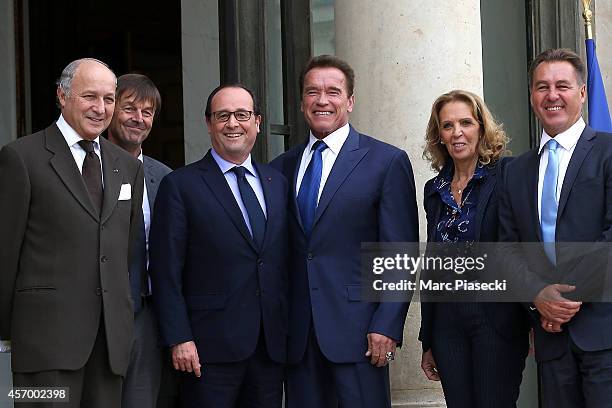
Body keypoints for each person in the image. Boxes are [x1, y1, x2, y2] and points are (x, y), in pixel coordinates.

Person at [271, 55, 419, 408]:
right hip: (298, 337)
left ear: (350, 101)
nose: (323, 100)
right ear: (302, 101)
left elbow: (400, 253)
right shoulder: (280, 168)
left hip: (360, 333)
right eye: (313, 92)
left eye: (333, 92)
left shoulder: (385, 161)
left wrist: (387, 322)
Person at [0, 58, 144, 407]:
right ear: (62, 97)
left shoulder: (126, 166)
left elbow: (126, 252)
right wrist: (6, 333)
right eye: (89, 97)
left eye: (109, 99)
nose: (101, 108)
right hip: (44, 346)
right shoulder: (21, 158)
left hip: (109, 347)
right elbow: (5, 253)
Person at [149, 83, 289, 408]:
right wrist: (179, 338)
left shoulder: (277, 184)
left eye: (242, 114)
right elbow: (166, 270)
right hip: (206, 351)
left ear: (257, 121)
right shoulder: (180, 186)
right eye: (222, 115)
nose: (232, 123)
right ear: (209, 123)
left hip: (269, 349)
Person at [499, 48, 612, 407]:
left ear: (581, 93)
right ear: (532, 96)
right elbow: (507, 248)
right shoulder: (514, 170)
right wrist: (537, 296)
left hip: (604, 331)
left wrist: (561, 299)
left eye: (562, 85)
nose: (552, 95)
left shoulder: (609, 152)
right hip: (551, 339)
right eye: (542, 86)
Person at [418, 90, 529, 407]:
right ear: (439, 134)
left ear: (481, 127)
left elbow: (521, 246)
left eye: (465, 122)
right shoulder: (434, 189)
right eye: (447, 125)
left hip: (495, 318)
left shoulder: (507, 174)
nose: (457, 133)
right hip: (447, 324)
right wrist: (428, 338)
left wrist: (532, 315)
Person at [107, 73, 172, 408]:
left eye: (147, 112)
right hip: (100, 316)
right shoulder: (88, 170)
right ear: (110, 109)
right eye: (129, 107)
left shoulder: (165, 177)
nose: (138, 118)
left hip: (149, 316)